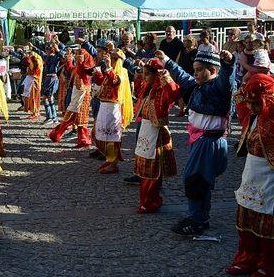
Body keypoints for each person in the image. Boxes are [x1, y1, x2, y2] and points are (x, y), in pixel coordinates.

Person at [156, 49, 235, 235]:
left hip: (208, 142)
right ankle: (200, 218)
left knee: (194, 180)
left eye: (199, 70)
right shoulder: (197, 85)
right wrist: (167, 60)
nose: (195, 73)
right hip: (201, 140)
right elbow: (182, 76)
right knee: (201, 181)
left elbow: (227, 78)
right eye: (195, 69)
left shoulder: (218, 87)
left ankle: (196, 219)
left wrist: (227, 64)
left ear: (213, 70)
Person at [226, 74, 274, 277]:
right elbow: (239, 101)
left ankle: (268, 263)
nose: (252, 108)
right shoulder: (253, 115)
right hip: (251, 171)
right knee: (246, 215)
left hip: (270, 175)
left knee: (266, 219)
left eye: (257, 103)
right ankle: (247, 257)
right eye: (251, 103)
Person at [133, 59, 180, 213]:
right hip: (145, 132)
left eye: (148, 74)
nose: (144, 77)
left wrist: (164, 74)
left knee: (153, 170)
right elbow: (137, 91)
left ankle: (149, 201)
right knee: (146, 169)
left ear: (156, 75)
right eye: (144, 74)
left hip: (157, 134)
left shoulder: (162, 91)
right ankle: (148, 200)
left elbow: (174, 93)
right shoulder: (148, 90)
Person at [91, 49, 133, 174]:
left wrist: (108, 68)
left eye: (113, 59)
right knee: (102, 135)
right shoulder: (111, 71)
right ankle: (109, 159)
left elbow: (115, 82)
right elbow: (104, 83)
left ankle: (113, 163)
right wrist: (98, 75)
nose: (110, 61)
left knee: (113, 137)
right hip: (104, 106)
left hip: (113, 108)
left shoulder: (122, 72)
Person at [48, 46, 95, 148]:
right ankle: (60, 135)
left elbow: (88, 71)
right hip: (76, 95)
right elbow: (70, 68)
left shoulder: (87, 69)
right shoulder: (78, 67)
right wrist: (69, 57)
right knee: (71, 117)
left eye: (81, 55)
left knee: (78, 119)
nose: (78, 57)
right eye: (77, 55)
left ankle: (82, 139)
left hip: (82, 96)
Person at [30, 41, 64, 124]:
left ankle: (50, 117)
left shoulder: (56, 57)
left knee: (46, 97)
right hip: (48, 78)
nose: (46, 51)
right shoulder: (47, 57)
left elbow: (62, 55)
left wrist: (58, 48)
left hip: (52, 78)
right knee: (49, 97)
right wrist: (33, 47)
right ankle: (54, 117)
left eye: (47, 49)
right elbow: (40, 52)